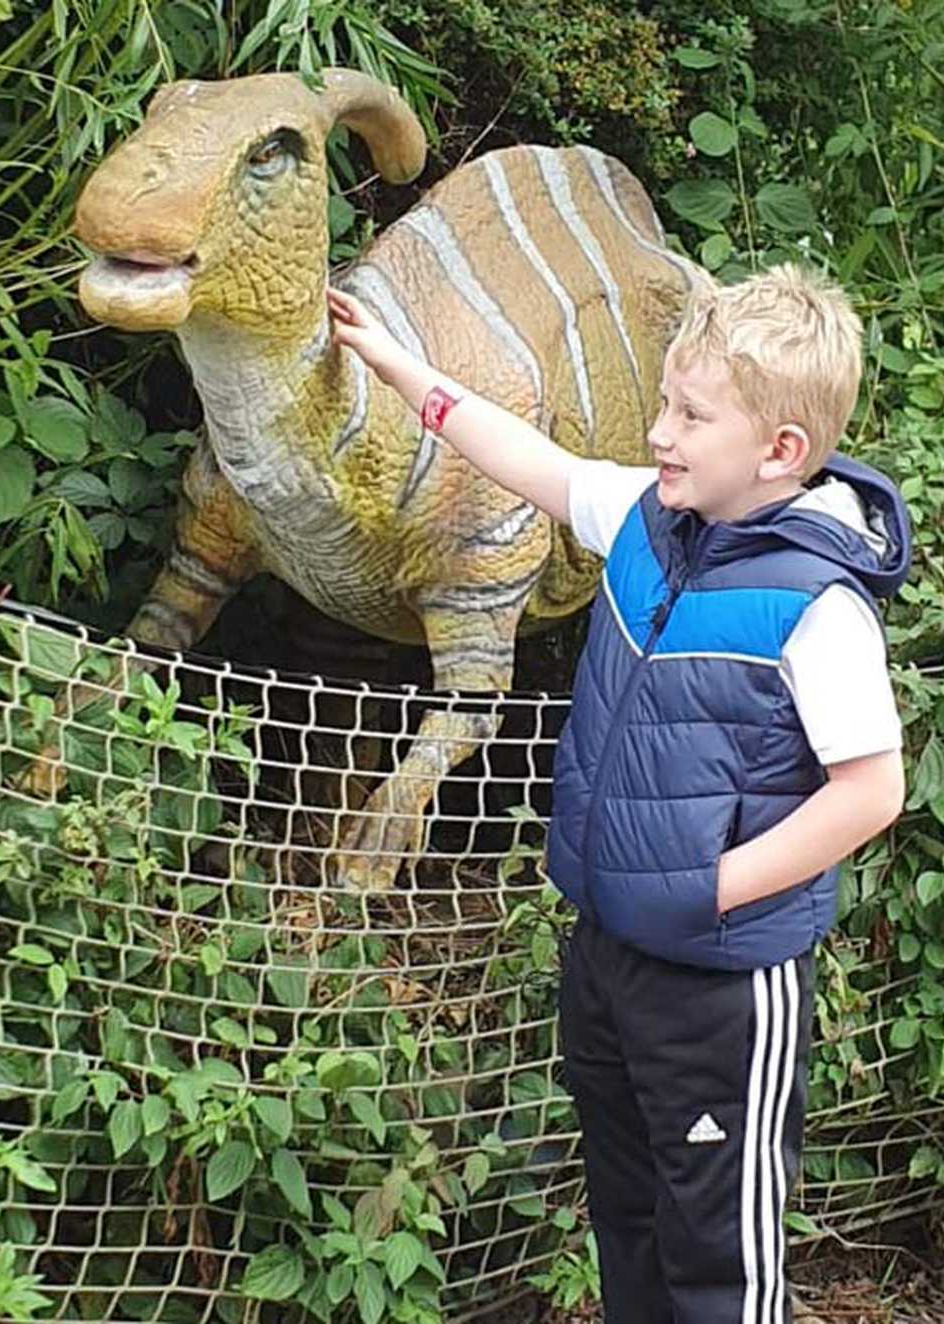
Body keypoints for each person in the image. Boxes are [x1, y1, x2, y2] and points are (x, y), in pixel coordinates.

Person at [327, 264, 911, 1324]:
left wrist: (706, 888)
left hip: (718, 987)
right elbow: (536, 464)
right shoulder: (649, 522)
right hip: (605, 957)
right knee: (628, 1223)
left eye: (691, 415)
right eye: (662, 403)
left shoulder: (817, 608)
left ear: (778, 451)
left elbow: (869, 790)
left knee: (717, 1262)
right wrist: (395, 364)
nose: (659, 432)